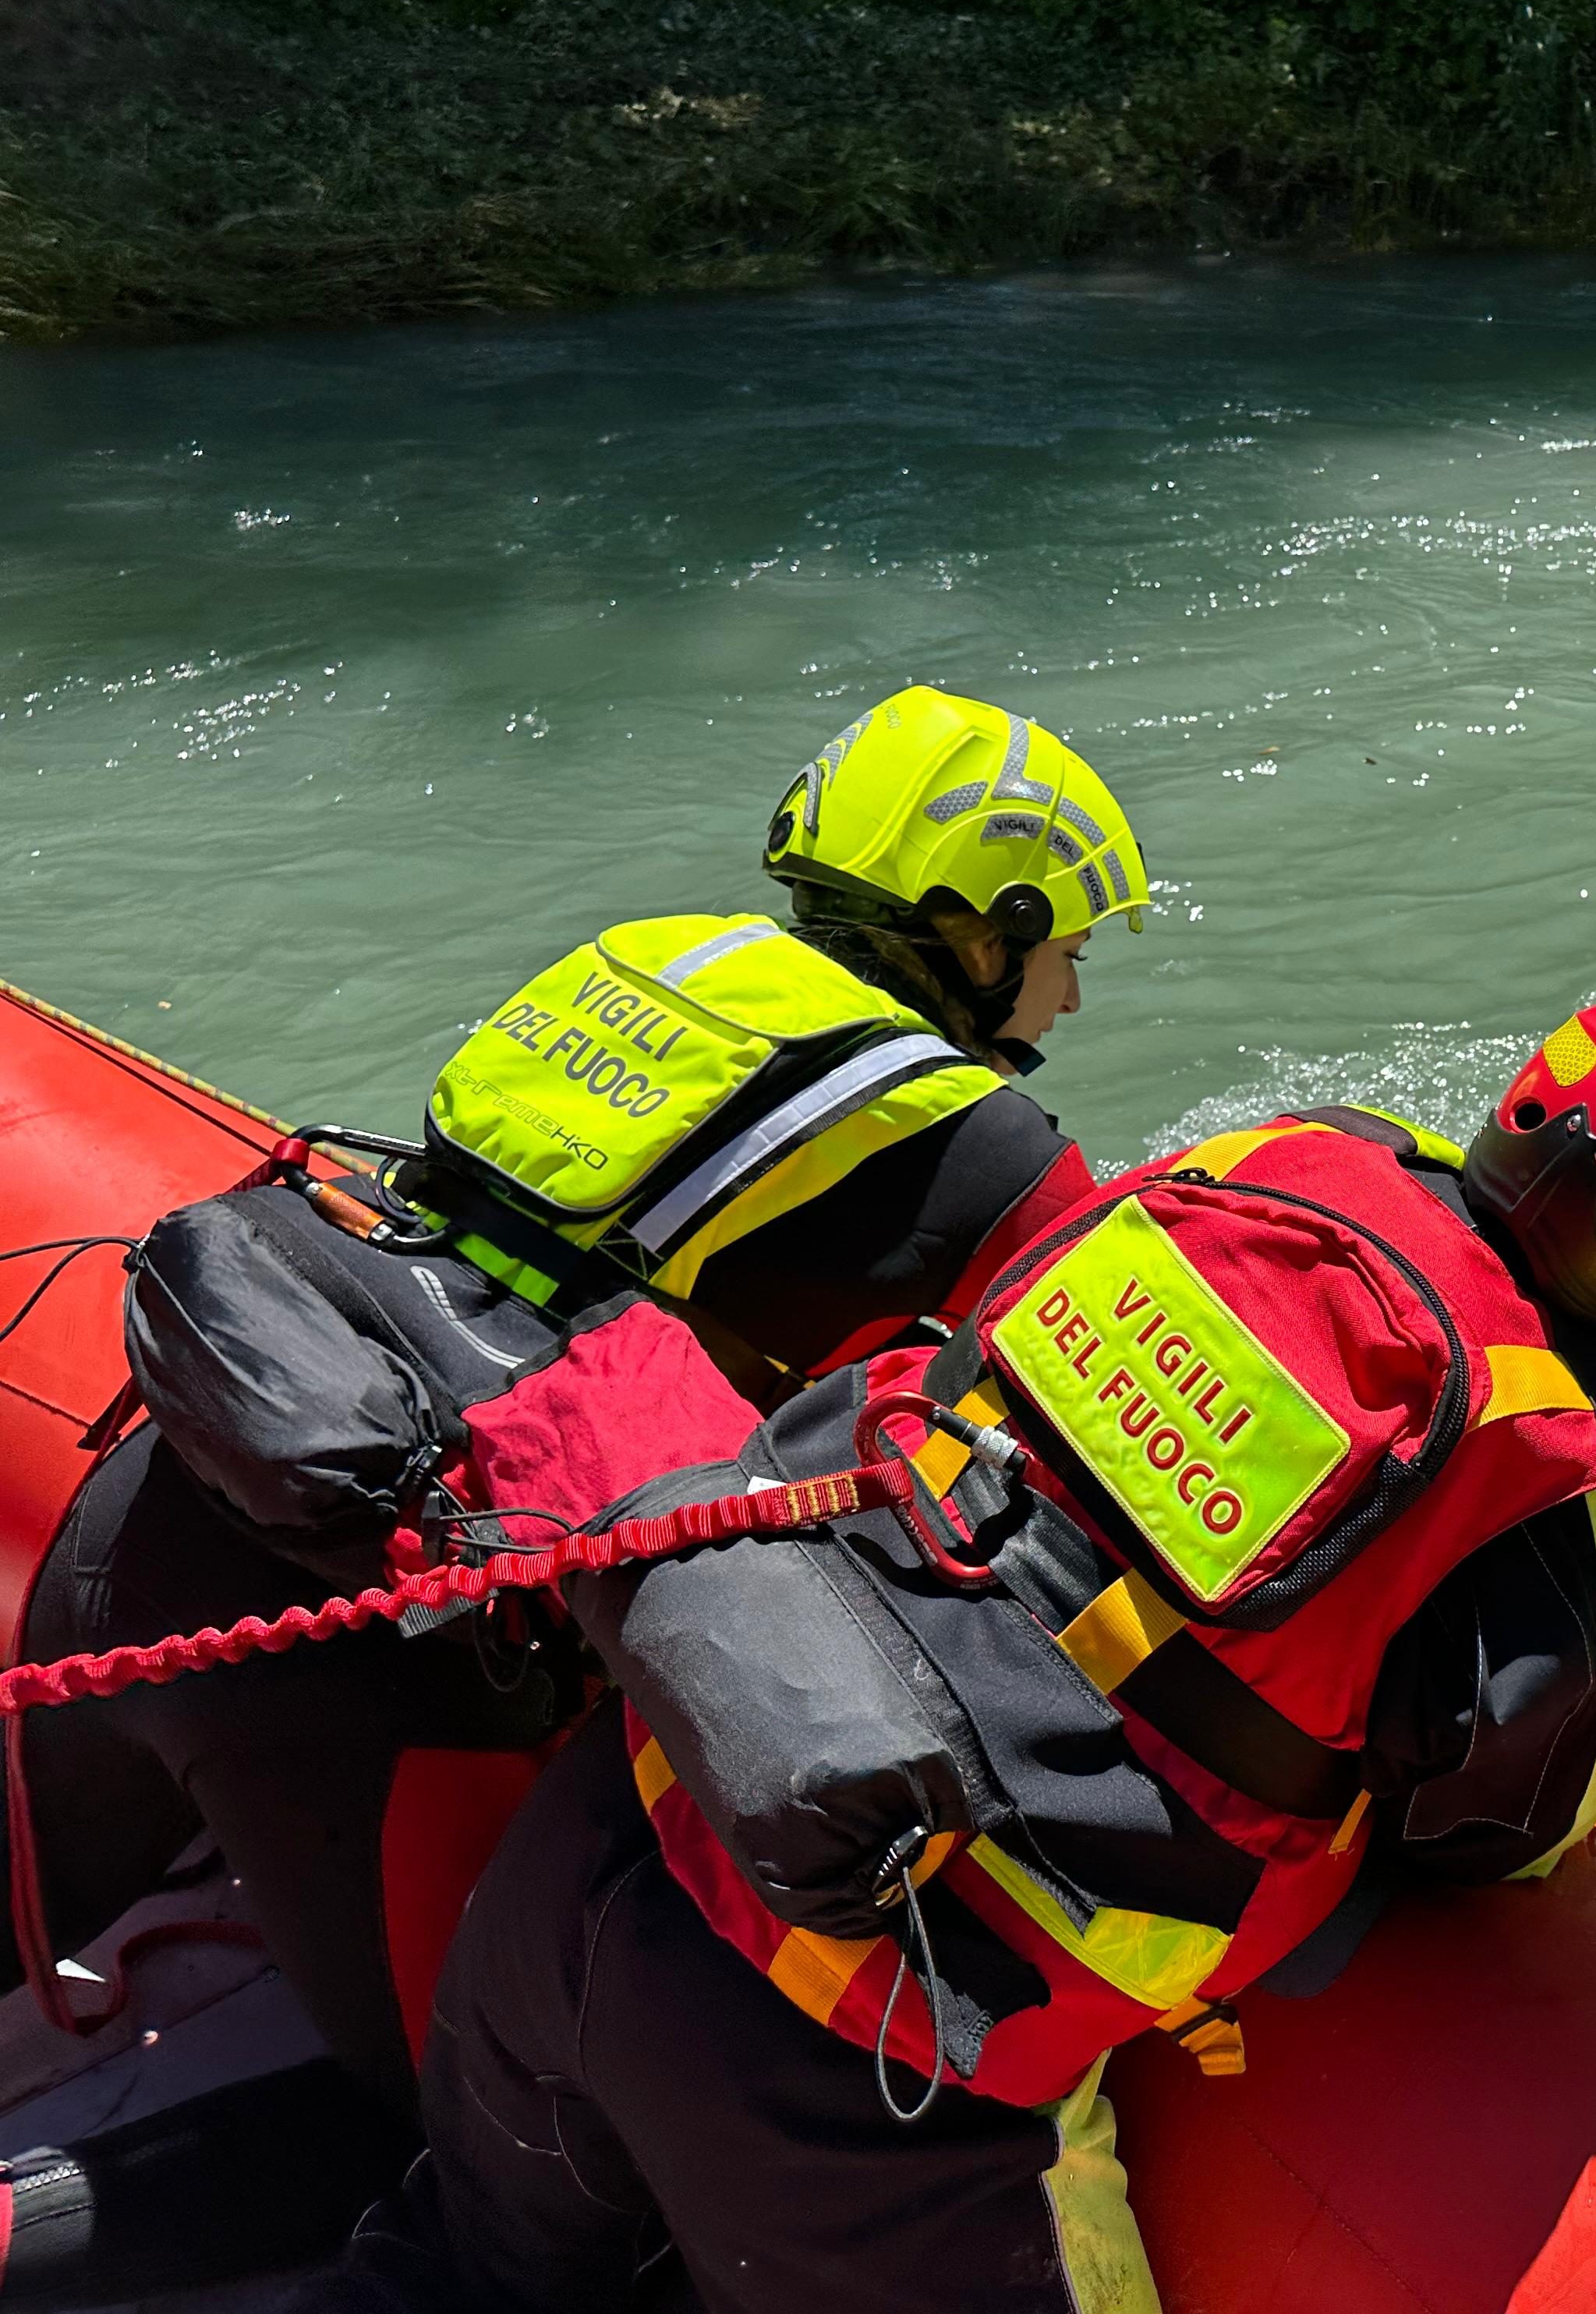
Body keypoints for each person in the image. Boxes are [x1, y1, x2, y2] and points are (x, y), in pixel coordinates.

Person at [322, 984, 1596, 2313]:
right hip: (876, 2054)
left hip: (628, 1803)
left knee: (452, 2272)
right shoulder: (1567, 1481)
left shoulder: (1277, 1163)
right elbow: (1496, 1831)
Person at [6, 685, 1150, 2159]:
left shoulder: (650, 964)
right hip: (366, 1687)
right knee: (447, 2160)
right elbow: (1103, 1431)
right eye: (1067, 954)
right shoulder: (979, 1144)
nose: (1071, 1001)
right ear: (983, 934)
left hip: (158, 1509)